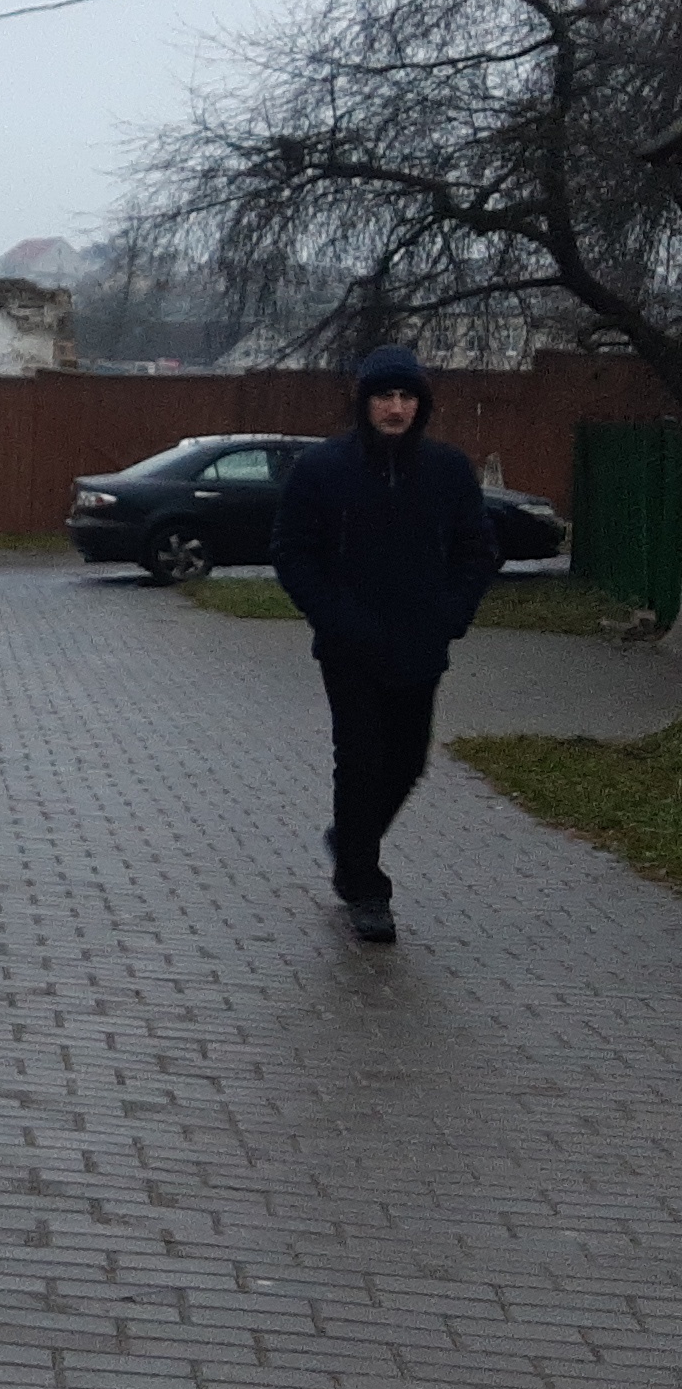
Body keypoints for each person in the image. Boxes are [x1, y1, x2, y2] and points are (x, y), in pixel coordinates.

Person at [269, 344, 498, 945]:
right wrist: (334, 616)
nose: (395, 408)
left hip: (420, 643)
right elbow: (293, 552)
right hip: (350, 648)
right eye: (384, 397)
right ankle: (365, 887)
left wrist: (452, 613)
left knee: (407, 763)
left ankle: (349, 842)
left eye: (406, 398)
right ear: (364, 402)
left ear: (420, 405)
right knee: (361, 759)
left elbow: (477, 551)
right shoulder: (324, 470)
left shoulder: (447, 470)